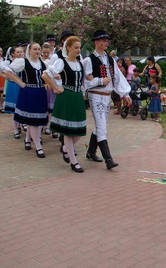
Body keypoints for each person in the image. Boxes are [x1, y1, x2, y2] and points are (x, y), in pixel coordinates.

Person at [83, 29, 131, 169]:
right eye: (103, 40)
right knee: (102, 127)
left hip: (106, 97)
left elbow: (118, 78)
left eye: (107, 40)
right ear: (96, 42)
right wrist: (100, 81)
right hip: (96, 95)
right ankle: (108, 160)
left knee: (100, 125)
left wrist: (125, 94)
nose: (106, 43)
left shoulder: (110, 59)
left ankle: (91, 151)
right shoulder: (89, 60)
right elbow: (86, 81)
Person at [42, 36, 88, 173]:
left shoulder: (80, 63)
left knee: (80, 129)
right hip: (66, 97)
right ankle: (74, 162)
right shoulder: (62, 63)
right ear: (68, 48)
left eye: (79, 47)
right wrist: (56, 88)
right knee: (68, 131)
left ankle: (65, 148)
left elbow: (82, 82)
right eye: (76, 47)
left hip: (77, 97)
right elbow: (45, 75)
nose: (78, 50)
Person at [5, 43, 49, 158]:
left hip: (40, 93)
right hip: (29, 92)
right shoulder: (23, 62)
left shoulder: (43, 64)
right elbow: (7, 71)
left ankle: (27, 139)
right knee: (33, 121)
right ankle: (38, 147)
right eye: (35, 49)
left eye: (39, 49)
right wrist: (19, 82)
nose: (37, 51)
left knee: (36, 120)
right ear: (29, 51)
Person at [41, 42, 56, 136]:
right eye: (44, 52)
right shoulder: (40, 61)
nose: (46, 54)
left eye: (48, 52)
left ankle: (52, 127)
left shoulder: (52, 61)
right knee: (45, 108)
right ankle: (45, 125)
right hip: (44, 87)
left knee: (52, 109)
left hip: (51, 87)